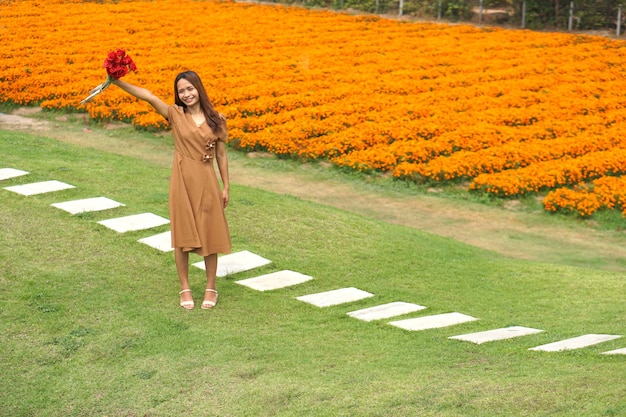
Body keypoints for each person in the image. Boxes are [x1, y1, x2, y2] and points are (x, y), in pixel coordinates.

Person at [112, 70, 231, 310]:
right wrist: (117, 81)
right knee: (182, 232)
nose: (186, 94)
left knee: (210, 232)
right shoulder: (175, 114)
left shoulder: (217, 119)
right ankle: (184, 287)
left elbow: (221, 155)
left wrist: (226, 186)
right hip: (182, 180)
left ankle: (211, 287)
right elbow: (147, 96)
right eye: (181, 91)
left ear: (199, 88)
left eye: (190, 88)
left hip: (207, 181)